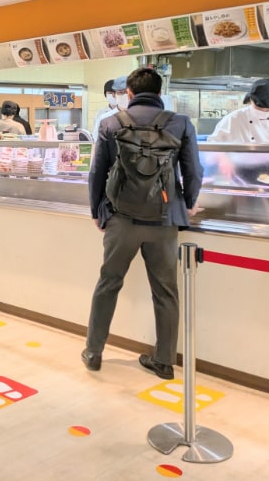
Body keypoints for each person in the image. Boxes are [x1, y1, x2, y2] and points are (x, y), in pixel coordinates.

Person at [83, 68, 203, 380]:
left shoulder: (111, 123)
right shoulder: (180, 123)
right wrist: (189, 203)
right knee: (165, 291)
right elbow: (194, 170)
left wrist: (96, 211)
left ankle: (94, 352)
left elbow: (97, 172)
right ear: (160, 92)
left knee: (108, 284)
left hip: (121, 217)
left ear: (129, 93)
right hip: (165, 219)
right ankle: (163, 361)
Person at [207, 79, 269, 182]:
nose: (264, 111)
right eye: (260, 108)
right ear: (251, 100)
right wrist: (224, 160)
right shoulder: (235, 118)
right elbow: (213, 142)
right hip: (242, 172)